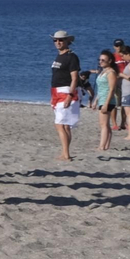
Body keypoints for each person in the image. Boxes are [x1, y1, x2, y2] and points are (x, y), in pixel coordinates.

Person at [50, 30, 81, 161]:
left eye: (61, 40)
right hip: (57, 92)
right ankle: (65, 152)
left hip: (66, 91)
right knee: (65, 125)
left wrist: (70, 95)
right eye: (55, 40)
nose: (58, 42)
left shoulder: (71, 57)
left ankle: (66, 154)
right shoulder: (59, 56)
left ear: (68, 41)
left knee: (60, 124)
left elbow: (75, 78)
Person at [93, 49, 122, 151]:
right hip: (102, 99)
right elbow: (101, 89)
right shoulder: (103, 71)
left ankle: (102, 146)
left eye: (103, 60)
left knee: (104, 124)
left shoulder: (111, 72)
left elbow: (111, 89)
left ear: (110, 61)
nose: (100, 62)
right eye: (99, 60)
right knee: (105, 124)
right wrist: (95, 100)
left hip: (107, 100)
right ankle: (106, 146)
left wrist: (106, 103)